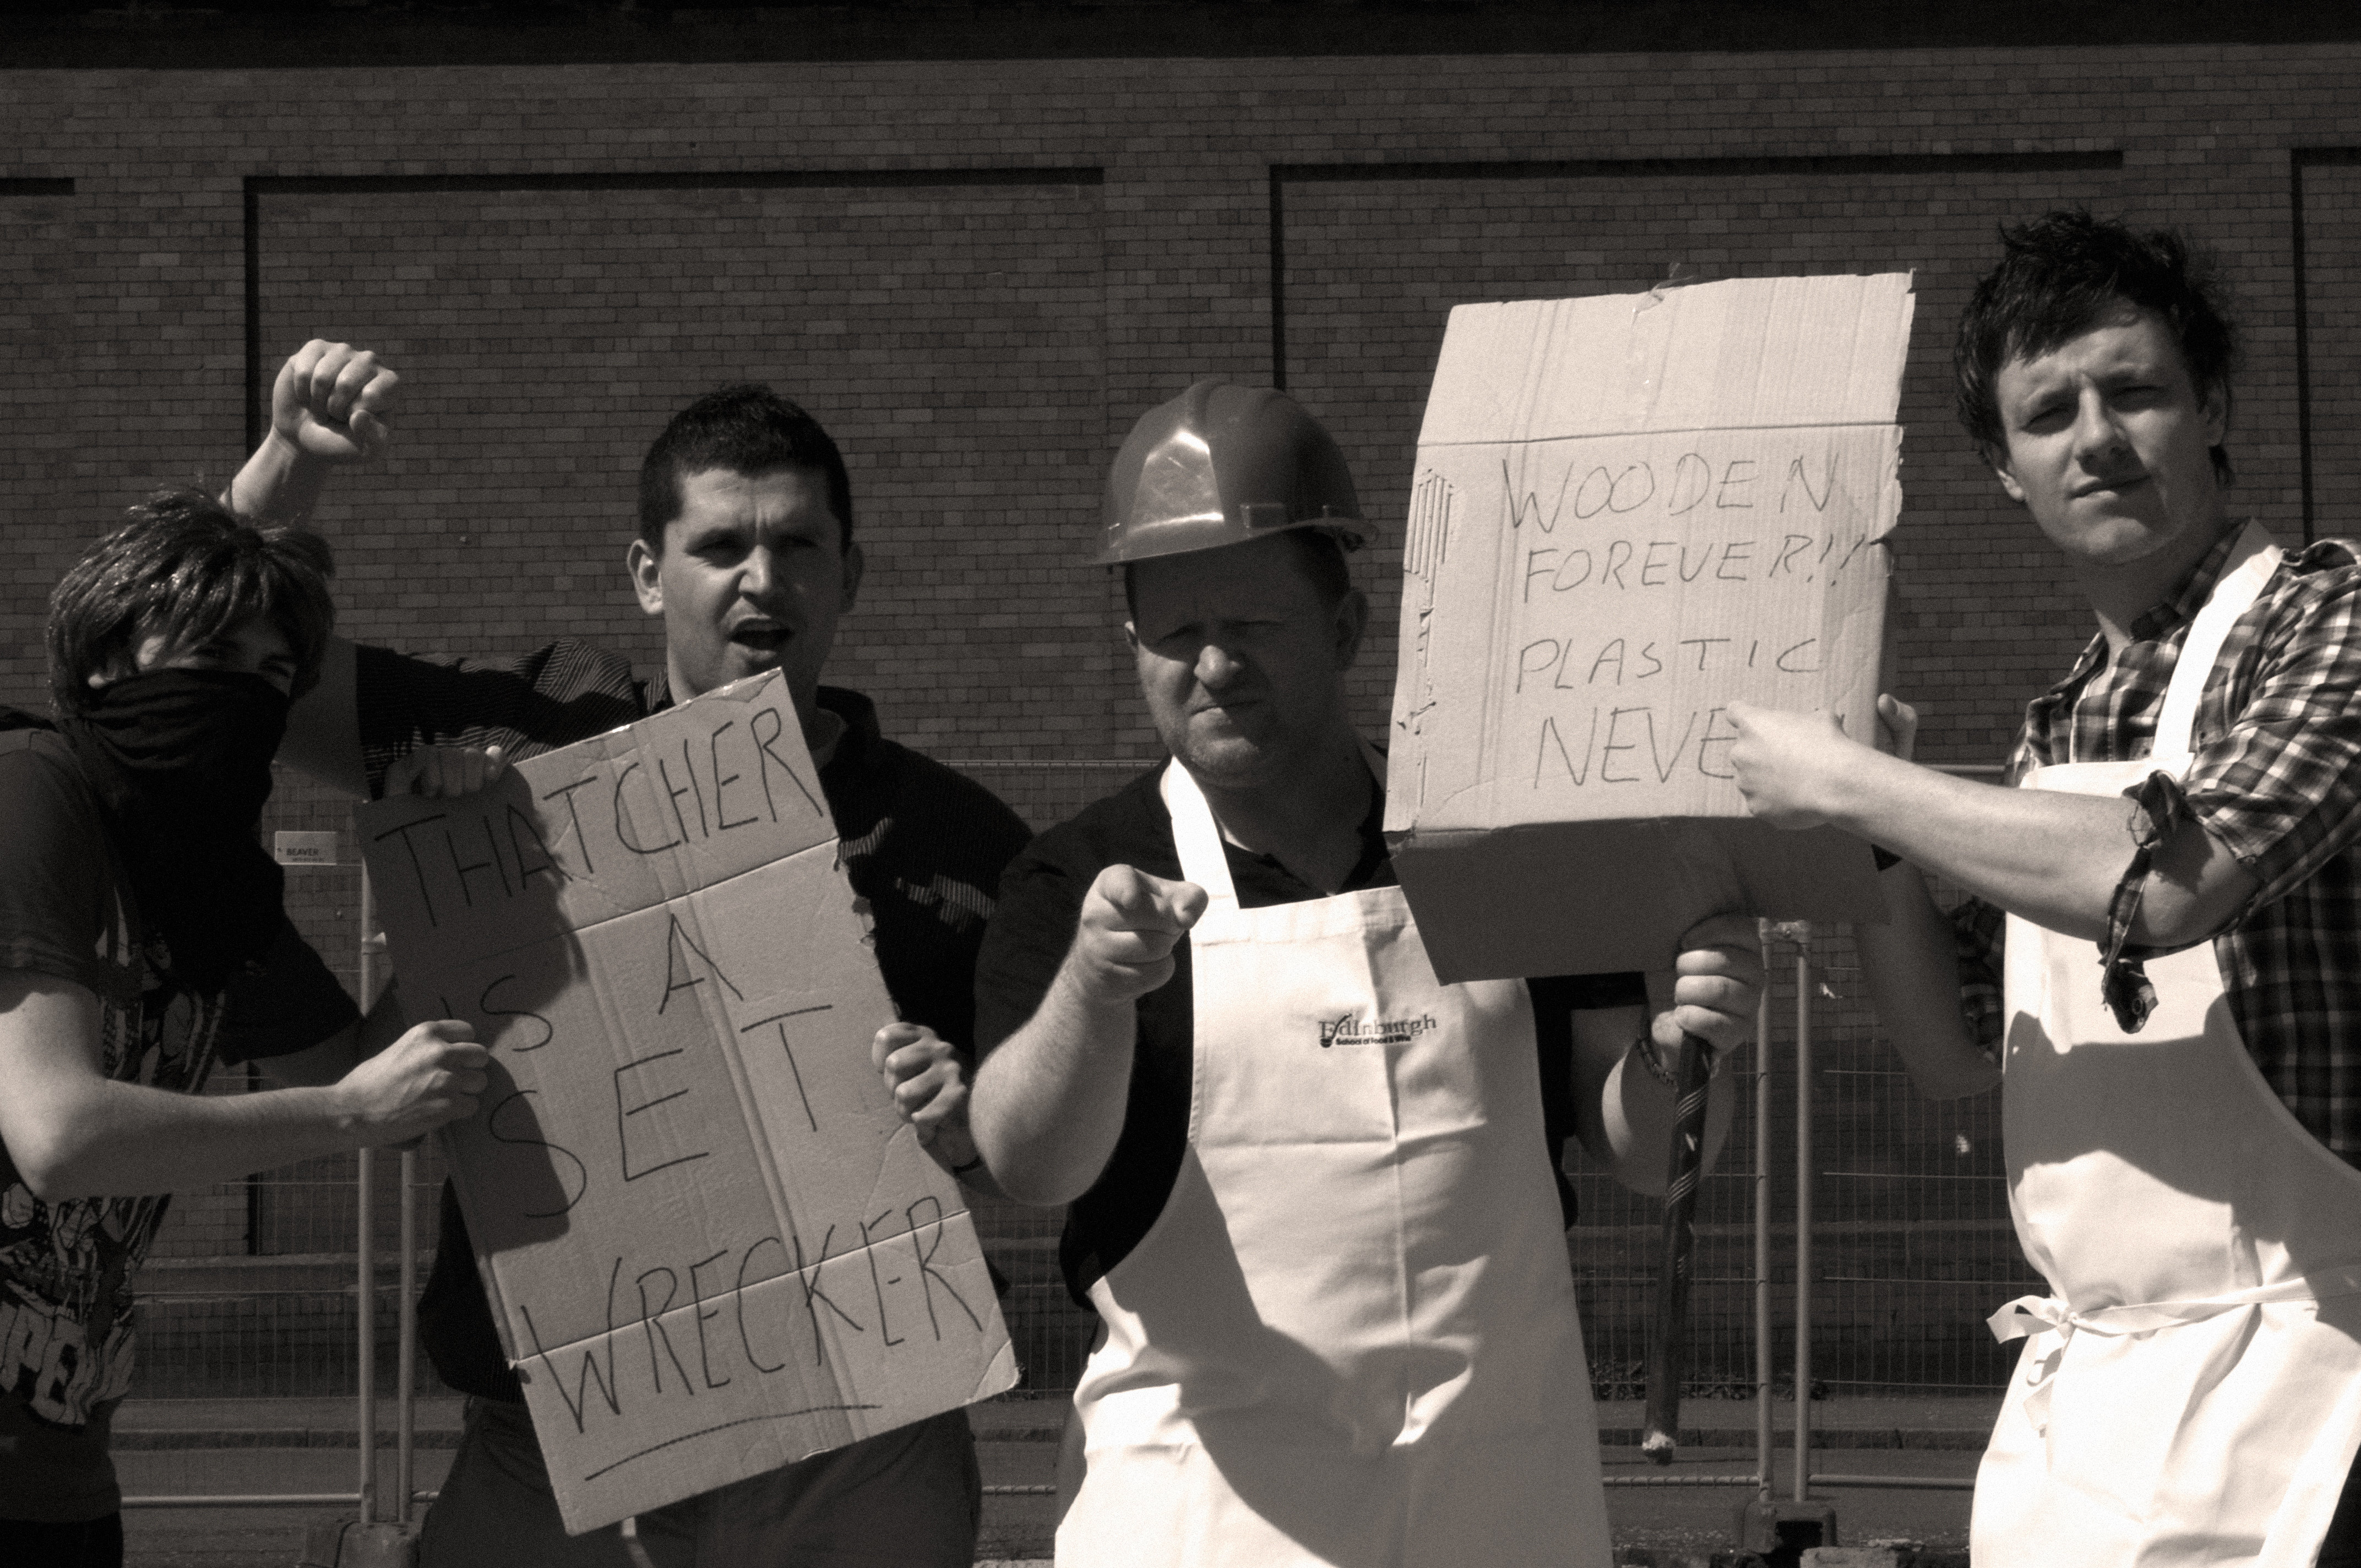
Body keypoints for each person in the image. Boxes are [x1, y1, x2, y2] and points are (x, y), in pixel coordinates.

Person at [226, 344, 1033, 1568]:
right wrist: (279, 480)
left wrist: (968, 1117)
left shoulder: (964, 839)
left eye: (798, 545)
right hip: (558, 1445)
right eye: (720, 547)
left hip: (858, 1444)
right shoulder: (524, 746)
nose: (761, 579)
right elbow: (232, 677)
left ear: (850, 573)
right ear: (648, 576)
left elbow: (1057, 1143)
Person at [942, 379, 1762, 1568]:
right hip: (1206, 1519)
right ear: (1131, 645)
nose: (1213, 663)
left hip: (1500, 1506)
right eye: (1174, 632)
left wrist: (1682, 1045)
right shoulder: (1076, 879)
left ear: (1344, 627)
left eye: (1254, 624)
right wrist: (1093, 985)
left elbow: (1642, 1144)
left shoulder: (1505, 855)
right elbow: (1030, 1163)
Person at [1727, 211, 2361, 1566]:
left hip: (2319, 1358)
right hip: (2098, 1400)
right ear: (2003, 470)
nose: (2095, 437)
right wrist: (1880, 848)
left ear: (2210, 411)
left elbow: (2170, 883)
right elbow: (1952, 1053)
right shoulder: (2052, 728)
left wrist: (1852, 787)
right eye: (2047, 411)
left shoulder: (2328, 619)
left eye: (2132, 390)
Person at [0, 491, 488, 1568]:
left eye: (273, 673)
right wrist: (355, 1109)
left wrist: (446, 859)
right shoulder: (32, 792)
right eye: (212, 651)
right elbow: (59, 1133)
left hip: (63, 1461)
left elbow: (371, 1077)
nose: (244, 692)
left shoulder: (218, 895)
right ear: (100, 667)